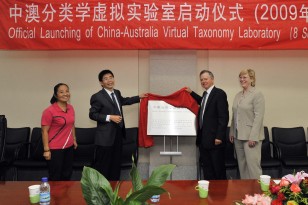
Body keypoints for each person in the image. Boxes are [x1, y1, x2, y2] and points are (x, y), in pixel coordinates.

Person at [89, 69, 147, 181]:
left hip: (118, 135)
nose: (109, 80)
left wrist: (139, 97)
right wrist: (109, 117)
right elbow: (92, 114)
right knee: (104, 166)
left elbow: (124, 101)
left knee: (116, 164)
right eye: (106, 78)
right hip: (105, 138)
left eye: (111, 77)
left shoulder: (117, 92)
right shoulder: (97, 96)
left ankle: (114, 188)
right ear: (101, 83)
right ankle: (102, 191)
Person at [186, 70, 229, 180]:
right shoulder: (205, 95)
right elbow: (202, 102)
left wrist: (219, 136)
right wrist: (191, 93)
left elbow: (223, 117)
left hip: (215, 140)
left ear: (212, 79)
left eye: (206, 79)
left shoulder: (219, 94)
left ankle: (220, 196)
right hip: (204, 141)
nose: (203, 81)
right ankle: (209, 194)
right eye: (201, 80)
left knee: (217, 170)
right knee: (208, 170)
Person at [229, 69, 265, 179]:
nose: (241, 79)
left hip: (251, 137)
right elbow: (235, 115)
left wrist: (253, 136)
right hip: (238, 136)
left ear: (252, 79)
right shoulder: (238, 95)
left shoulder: (257, 94)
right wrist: (231, 131)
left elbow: (259, 117)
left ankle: (258, 194)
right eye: (240, 77)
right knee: (242, 167)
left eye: (244, 77)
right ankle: (246, 193)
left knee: (253, 168)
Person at [41, 83, 77, 181]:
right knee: (55, 177)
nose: (65, 94)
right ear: (56, 95)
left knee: (67, 175)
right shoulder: (49, 111)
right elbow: (44, 131)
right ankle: (55, 196)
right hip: (55, 149)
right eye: (61, 92)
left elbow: (72, 124)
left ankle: (64, 197)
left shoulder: (71, 108)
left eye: (67, 91)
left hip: (69, 147)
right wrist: (46, 150)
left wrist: (74, 139)